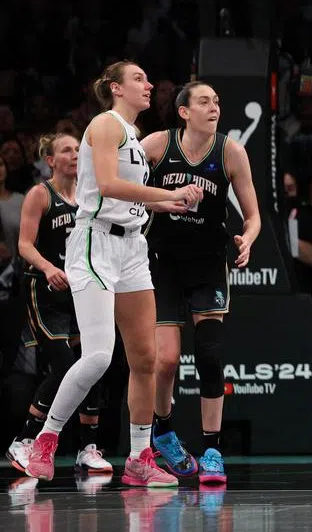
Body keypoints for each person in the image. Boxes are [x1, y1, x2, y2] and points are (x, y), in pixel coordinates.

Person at [24, 61, 203, 486]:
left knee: (146, 358)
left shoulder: (136, 138)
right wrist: (169, 191)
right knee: (100, 355)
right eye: (139, 78)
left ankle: (140, 458)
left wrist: (164, 204)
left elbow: (130, 198)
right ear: (115, 88)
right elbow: (106, 185)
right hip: (94, 244)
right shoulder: (105, 125)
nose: (149, 84)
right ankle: (44, 439)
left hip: (132, 247)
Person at [142, 82, 260, 484]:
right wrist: (167, 198)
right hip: (162, 262)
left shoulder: (230, 151)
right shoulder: (156, 146)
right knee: (166, 359)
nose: (215, 108)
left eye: (218, 102)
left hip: (208, 263)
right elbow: (127, 195)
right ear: (183, 112)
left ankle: (212, 449)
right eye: (205, 102)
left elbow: (254, 215)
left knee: (210, 356)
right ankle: (163, 429)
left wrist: (247, 238)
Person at [6, 134, 112, 475]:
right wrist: (49, 267)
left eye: (79, 150)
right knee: (66, 367)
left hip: (82, 290)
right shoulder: (41, 194)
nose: (75, 154)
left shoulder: (89, 195)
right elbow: (24, 244)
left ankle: (87, 447)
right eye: (67, 149)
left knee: (92, 364)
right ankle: (23, 440)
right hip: (45, 291)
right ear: (50, 160)